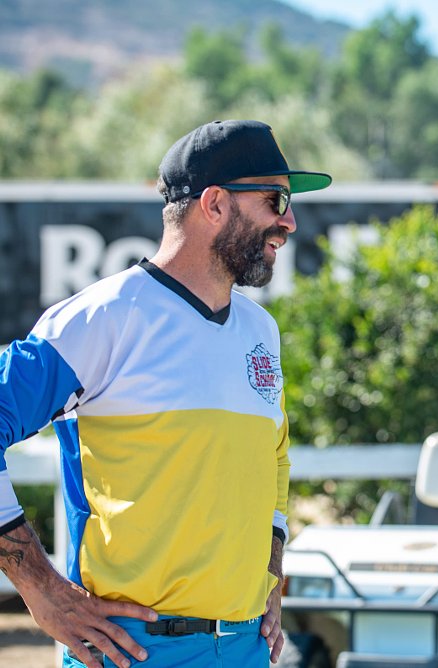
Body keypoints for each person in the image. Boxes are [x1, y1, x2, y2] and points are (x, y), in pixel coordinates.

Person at [0, 119, 331, 668]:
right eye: (276, 199)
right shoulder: (102, 317)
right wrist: (41, 590)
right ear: (216, 204)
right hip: (132, 651)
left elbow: (272, 457)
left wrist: (270, 572)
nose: (289, 221)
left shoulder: (260, 330)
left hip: (249, 648)